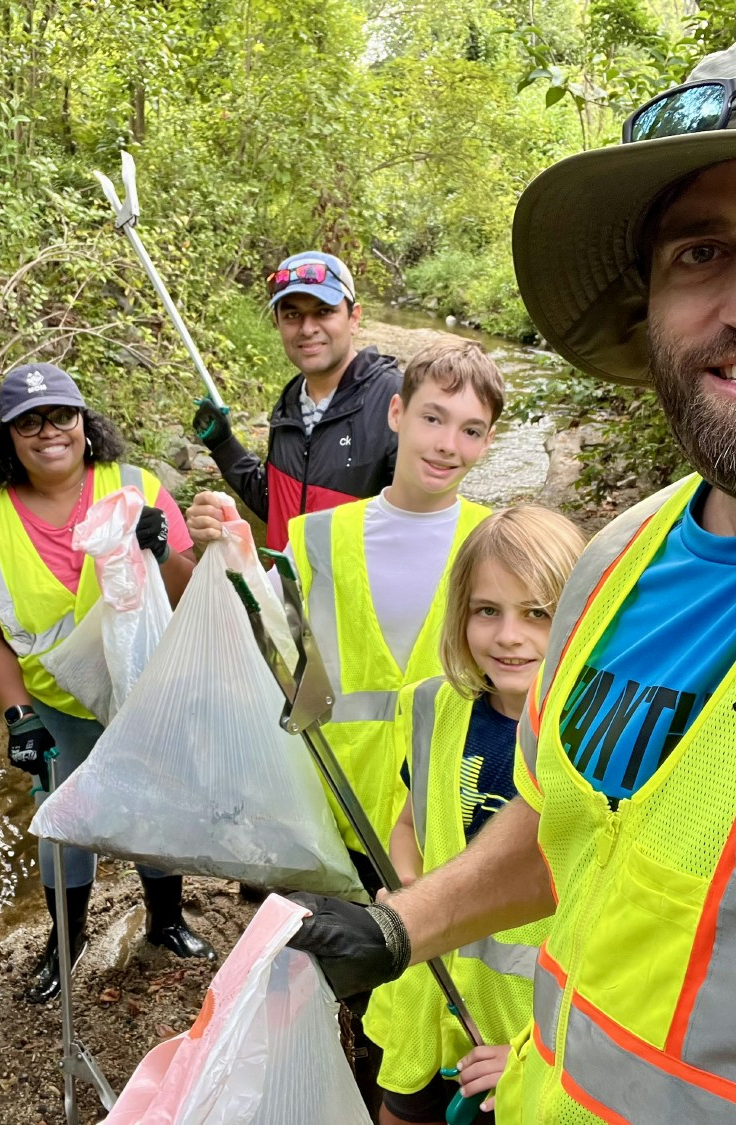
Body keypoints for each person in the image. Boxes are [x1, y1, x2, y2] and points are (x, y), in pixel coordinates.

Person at [285, 32, 736, 1123]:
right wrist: (408, 923)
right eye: (700, 254)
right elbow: (568, 823)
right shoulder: (622, 550)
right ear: (648, 300)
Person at [190, 336, 502, 1114]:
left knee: (444, 960)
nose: (448, 443)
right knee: (354, 972)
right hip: (341, 809)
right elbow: (281, 654)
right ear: (396, 414)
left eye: (471, 429)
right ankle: (362, 1082)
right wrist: (233, 559)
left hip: (447, 806)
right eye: (434, 417)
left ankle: (428, 1082)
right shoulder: (317, 537)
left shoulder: (498, 540)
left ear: (490, 441)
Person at [0, 362, 216, 1006]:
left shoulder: (136, 488)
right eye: (29, 422)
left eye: (62, 416)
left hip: (144, 692)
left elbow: (186, 594)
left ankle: (165, 921)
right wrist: (17, 714)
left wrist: (165, 553)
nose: (49, 433)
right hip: (56, 704)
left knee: (153, 808)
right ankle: (65, 942)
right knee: (66, 824)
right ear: (8, 437)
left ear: (84, 423)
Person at [370, 506, 584, 1125]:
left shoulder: (591, 737)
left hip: (526, 1030)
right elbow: (411, 826)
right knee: (403, 1110)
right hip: (429, 996)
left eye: (537, 613)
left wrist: (535, 1049)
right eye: (487, 610)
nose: (508, 636)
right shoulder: (435, 709)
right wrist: (407, 891)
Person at [191, 250, 402, 551]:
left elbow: (418, 529)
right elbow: (279, 508)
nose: (307, 328)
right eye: (292, 315)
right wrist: (224, 446)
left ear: (354, 318)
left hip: (356, 597)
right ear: (277, 322)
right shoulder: (291, 400)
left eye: (324, 311)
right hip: (287, 594)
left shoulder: (397, 402)